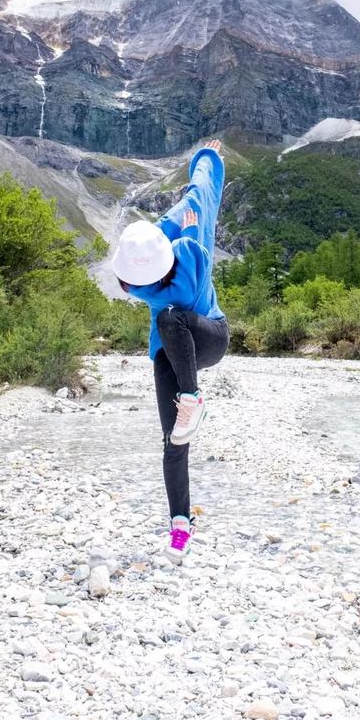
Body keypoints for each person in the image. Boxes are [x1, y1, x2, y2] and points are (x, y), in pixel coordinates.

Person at [111, 139, 229, 564]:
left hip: (210, 336)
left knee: (168, 317)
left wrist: (206, 159)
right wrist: (207, 158)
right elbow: (200, 191)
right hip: (171, 352)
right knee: (173, 439)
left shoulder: (190, 250)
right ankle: (181, 524)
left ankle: (193, 398)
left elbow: (202, 192)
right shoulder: (174, 238)